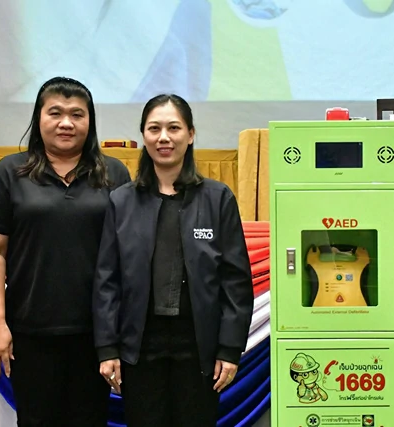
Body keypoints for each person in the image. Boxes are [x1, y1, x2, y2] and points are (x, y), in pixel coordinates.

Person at [0, 76, 132, 427]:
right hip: (30, 332)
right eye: (55, 113)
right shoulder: (9, 172)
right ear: (38, 118)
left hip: (97, 335)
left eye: (77, 114)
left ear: (90, 122)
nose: (66, 123)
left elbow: (129, 253)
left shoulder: (114, 174)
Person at [92, 93, 254, 427]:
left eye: (174, 128)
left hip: (199, 349)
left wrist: (229, 349)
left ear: (190, 134)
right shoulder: (121, 201)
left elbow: (235, 282)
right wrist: (107, 348)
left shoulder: (218, 198)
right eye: (154, 129)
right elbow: (107, 281)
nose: (163, 137)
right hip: (139, 348)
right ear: (144, 135)